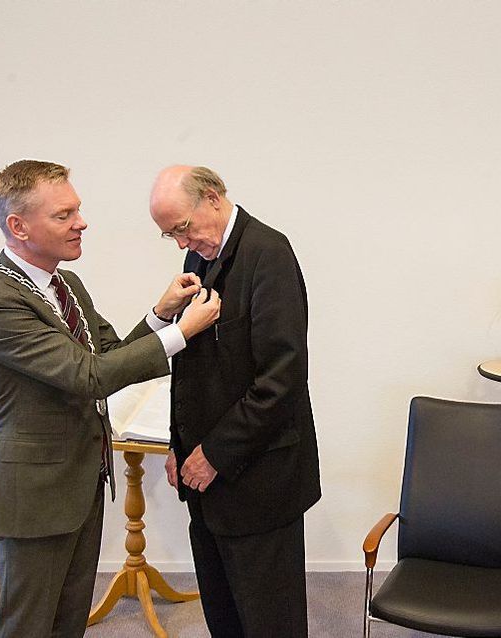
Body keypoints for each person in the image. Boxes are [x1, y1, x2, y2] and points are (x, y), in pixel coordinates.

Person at [0, 159, 220, 638]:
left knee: (67, 621)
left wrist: (161, 315)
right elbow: (89, 376)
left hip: (80, 483)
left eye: (77, 210)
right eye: (63, 215)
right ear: (18, 226)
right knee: (26, 625)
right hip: (35, 495)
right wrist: (182, 334)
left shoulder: (65, 284)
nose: (81, 222)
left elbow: (113, 356)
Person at [149, 165, 321, 637]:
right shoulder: (198, 260)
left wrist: (214, 453)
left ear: (212, 197)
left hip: (259, 479)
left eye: (182, 227)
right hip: (206, 480)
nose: (181, 244)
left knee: (270, 623)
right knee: (224, 618)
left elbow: (281, 379)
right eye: (170, 235)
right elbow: (192, 366)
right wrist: (177, 443)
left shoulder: (269, 253)